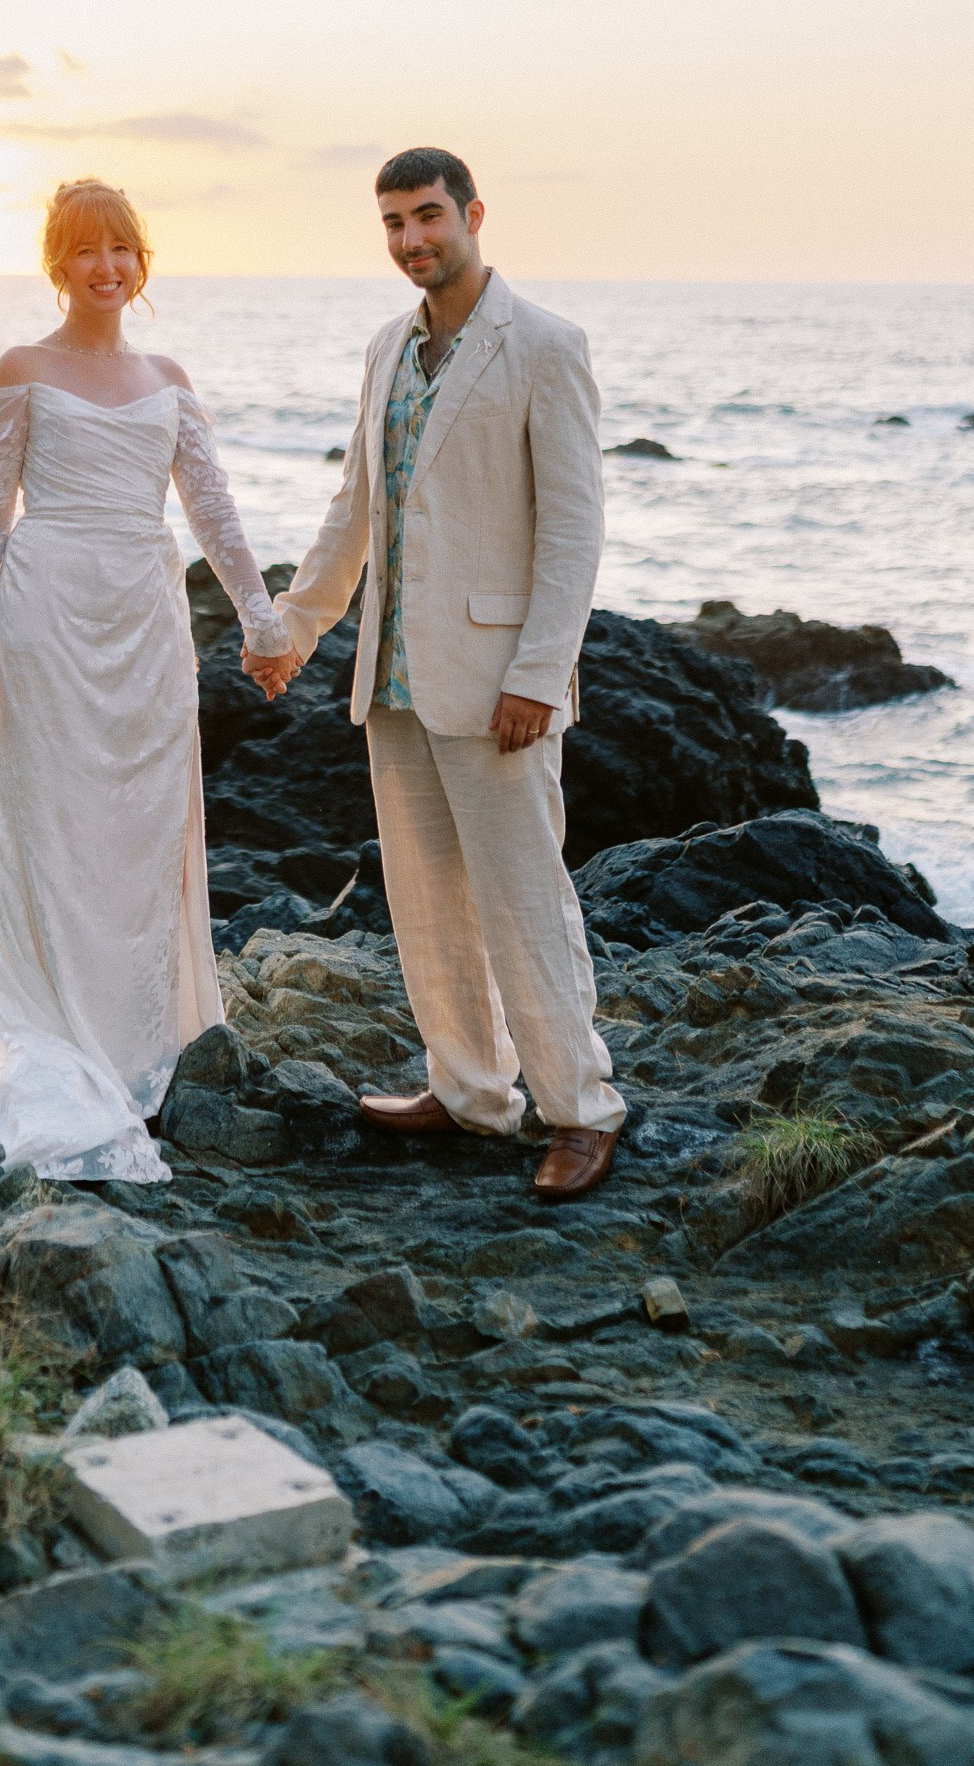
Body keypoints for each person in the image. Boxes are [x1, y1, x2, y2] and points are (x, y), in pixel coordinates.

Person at [0, 178, 292, 1182]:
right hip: (45, 618)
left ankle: (142, 1046)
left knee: (141, 824)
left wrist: (263, 622)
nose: (106, 268)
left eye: (122, 250)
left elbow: (213, 514)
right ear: (57, 264)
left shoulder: (169, 378)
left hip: (143, 616)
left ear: (142, 261)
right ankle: (57, 1044)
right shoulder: (20, 370)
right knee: (53, 825)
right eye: (86, 251)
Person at [248, 147, 622, 1198]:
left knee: (525, 903)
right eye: (392, 224)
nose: (411, 240)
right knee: (426, 902)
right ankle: (469, 1093)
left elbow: (573, 532)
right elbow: (353, 513)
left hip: (500, 679)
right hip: (396, 679)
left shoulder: (544, 347)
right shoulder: (382, 351)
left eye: (427, 217)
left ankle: (579, 1110)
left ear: (471, 215)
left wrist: (539, 675)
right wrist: (294, 628)